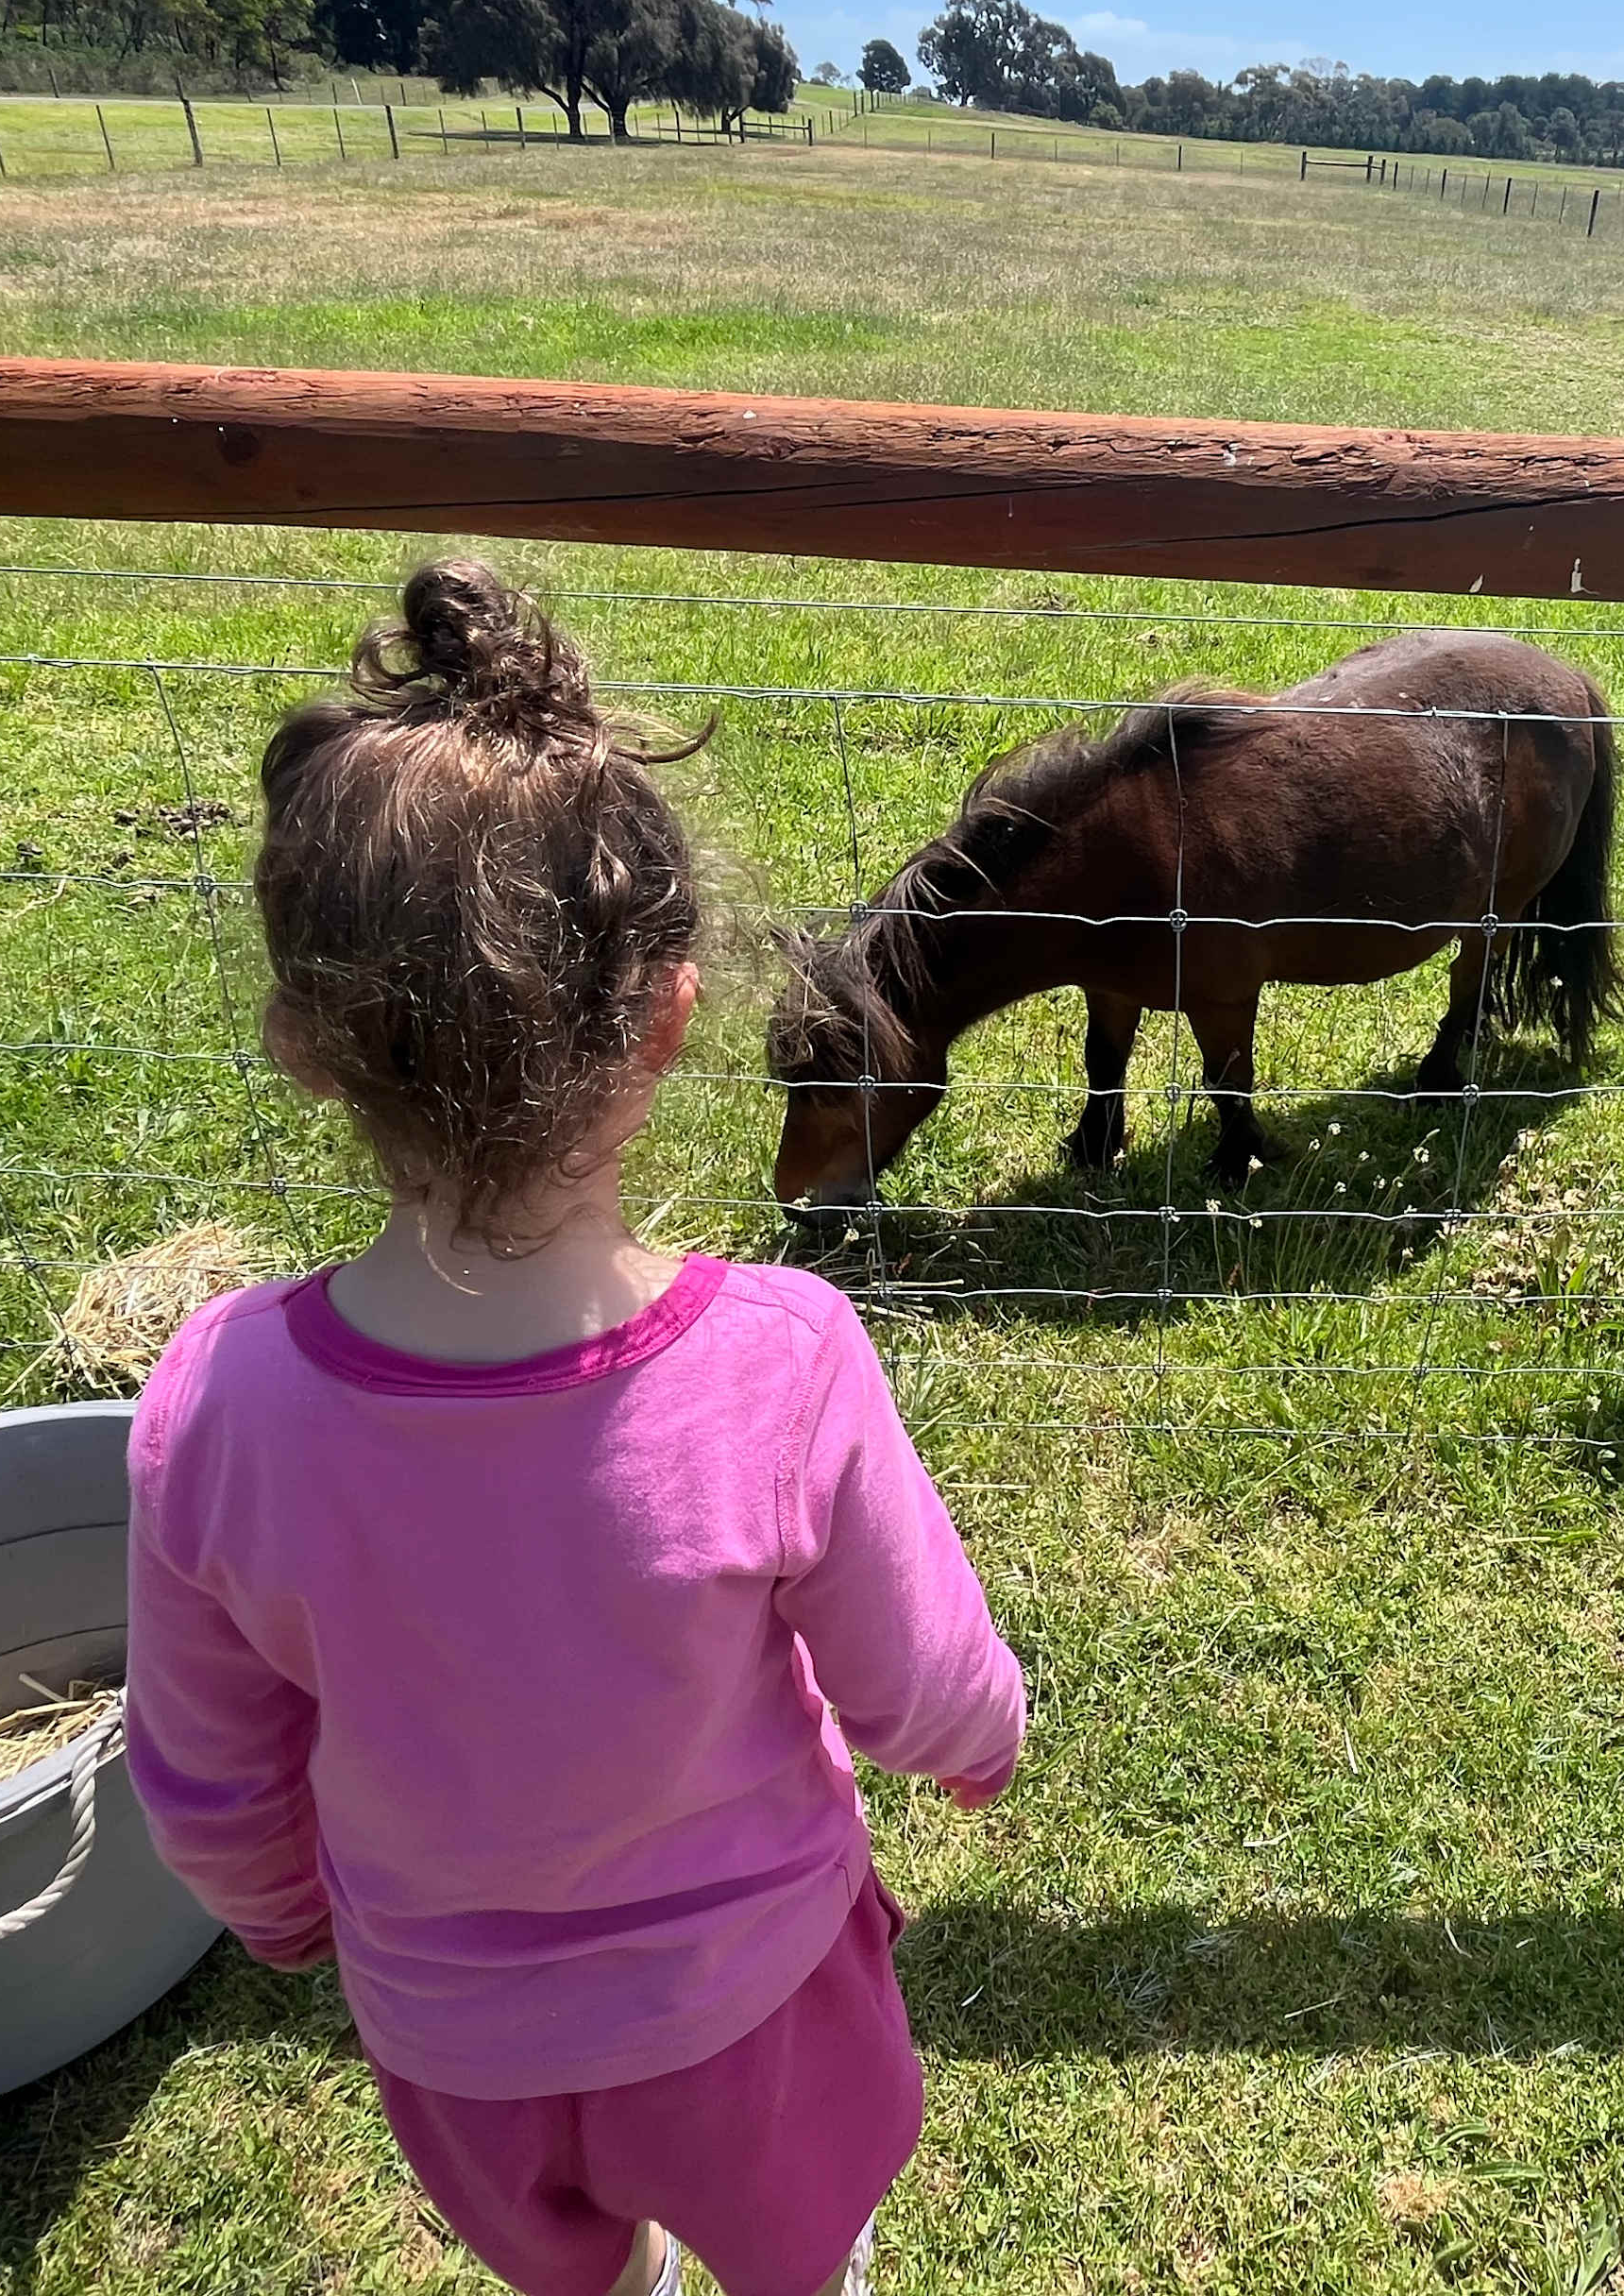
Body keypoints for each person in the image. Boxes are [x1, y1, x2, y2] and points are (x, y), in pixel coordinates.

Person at [124, 556, 1024, 2296]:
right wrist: (984, 1742)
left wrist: (284, 1916)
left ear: (303, 1045)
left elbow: (207, 1770)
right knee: (793, 2265)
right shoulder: (784, 1361)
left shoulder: (212, 1401)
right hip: (751, 2006)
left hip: (451, 2041)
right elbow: (920, 1680)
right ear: (675, 1020)